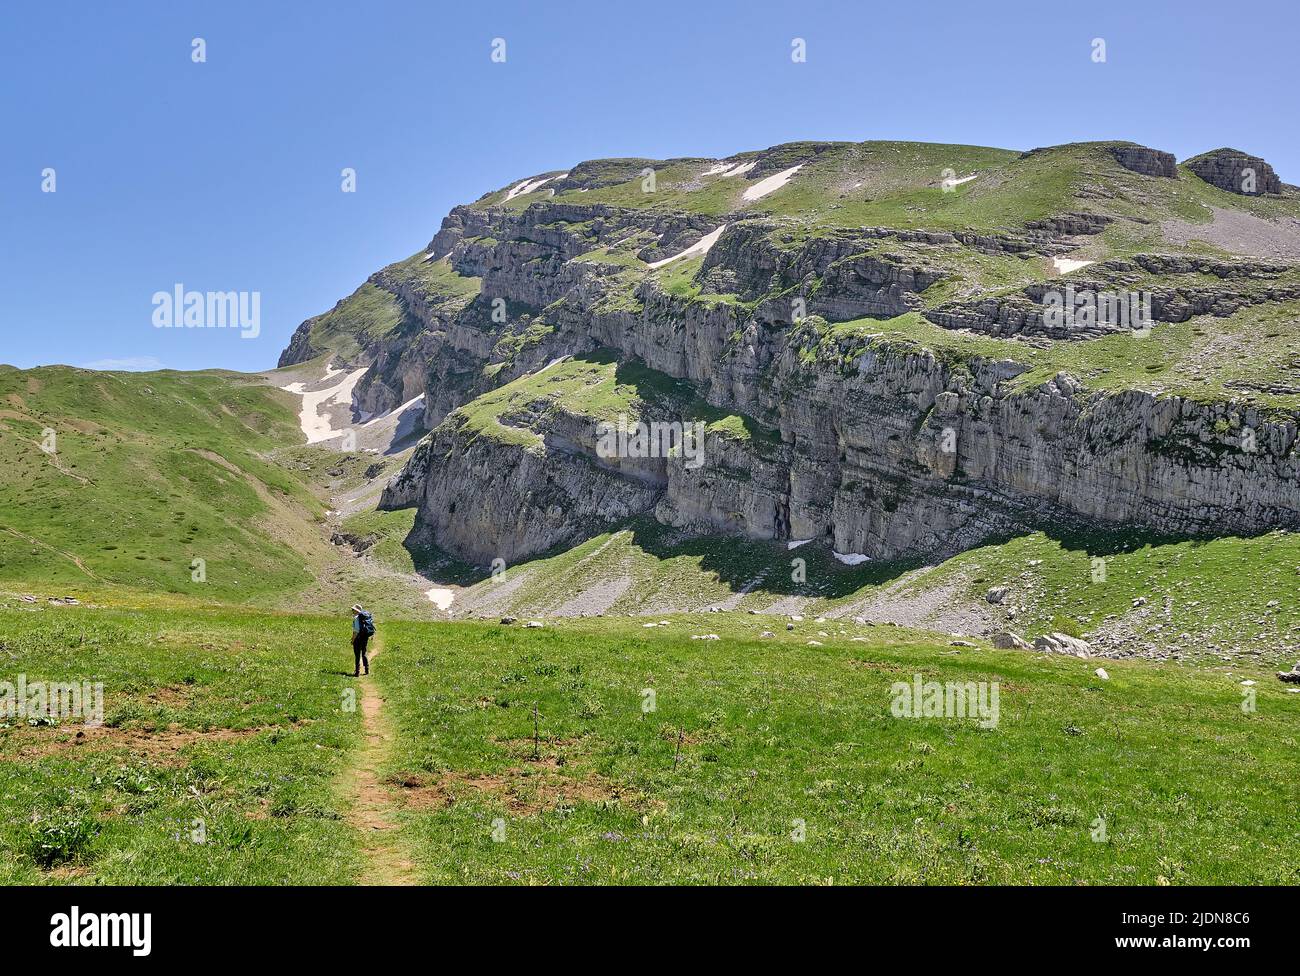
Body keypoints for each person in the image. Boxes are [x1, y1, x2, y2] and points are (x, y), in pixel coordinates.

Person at [351, 604, 375, 677]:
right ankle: (367, 669)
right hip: (365, 637)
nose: (352, 611)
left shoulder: (356, 618)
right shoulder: (366, 617)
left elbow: (356, 631)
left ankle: (357, 672)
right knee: (364, 653)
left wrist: (352, 639)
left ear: (356, 610)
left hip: (358, 638)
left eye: (353, 610)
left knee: (357, 655)